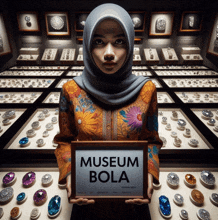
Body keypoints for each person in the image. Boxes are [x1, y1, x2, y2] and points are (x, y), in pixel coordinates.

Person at [54, 3, 162, 219]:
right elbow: (64, 141)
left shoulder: (146, 90)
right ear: (87, 45)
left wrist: (149, 173)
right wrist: (70, 174)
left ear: (131, 43)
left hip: (130, 199)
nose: (109, 53)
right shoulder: (71, 90)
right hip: (88, 199)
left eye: (120, 42)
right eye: (99, 42)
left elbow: (151, 140)